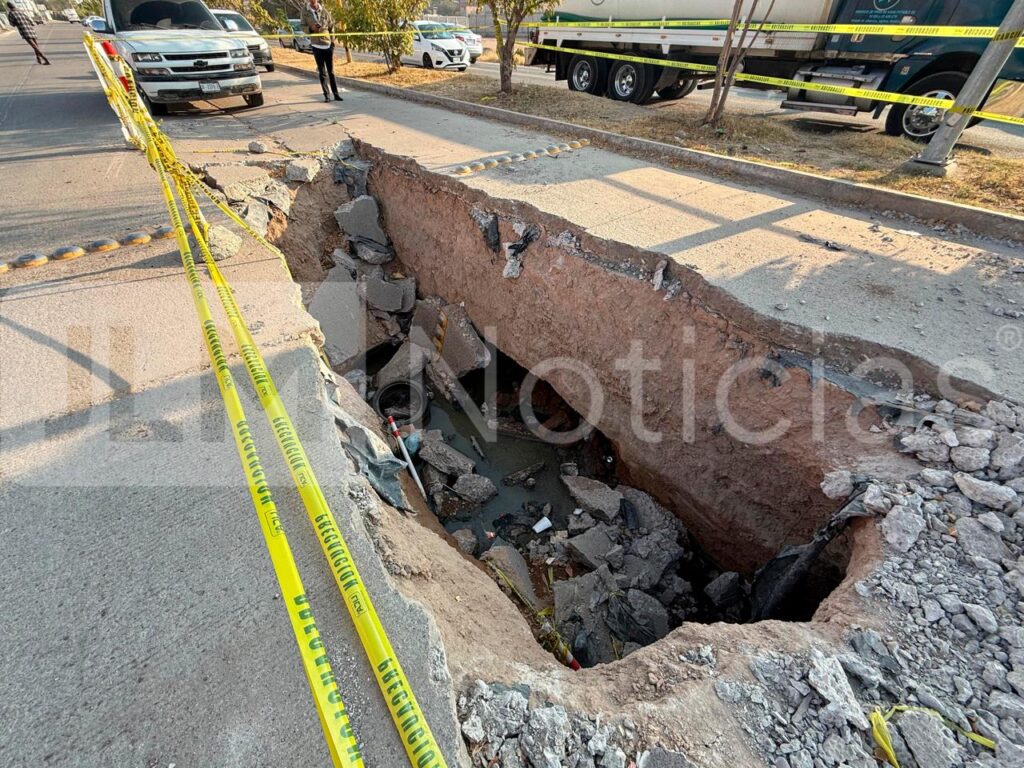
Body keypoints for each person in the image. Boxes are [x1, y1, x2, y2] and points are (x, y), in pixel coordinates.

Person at [301, 0, 341, 103]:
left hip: (327, 44)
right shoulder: (305, 12)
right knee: (322, 72)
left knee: (331, 71)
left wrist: (332, 42)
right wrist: (311, 29)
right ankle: (326, 95)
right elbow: (303, 26)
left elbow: (331, 27)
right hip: (316, 45)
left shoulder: (324, 11)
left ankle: (336, 94)